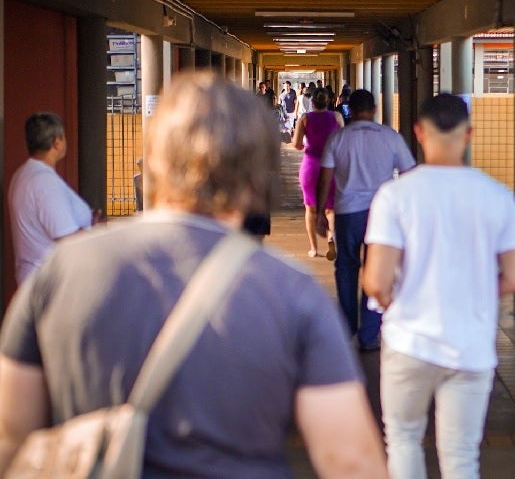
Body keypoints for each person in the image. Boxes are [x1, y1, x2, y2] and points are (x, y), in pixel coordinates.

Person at [0, 73, 388, 478]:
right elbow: (351, 461)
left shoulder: (60, 274)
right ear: (258, 173)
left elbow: (12, 435)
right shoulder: (292, 293)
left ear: (153, 159)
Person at [362, 93, 515, 479]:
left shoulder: (395, 195)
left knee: (403, 440)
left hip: (409, 342)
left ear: (418, 132)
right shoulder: (498, 196)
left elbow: (375, 279)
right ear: (468, 134)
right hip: (471, 346)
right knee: (461, 455)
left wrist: (392, 301)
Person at [316, 89, 415, 351]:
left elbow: (325, 177)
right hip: (382, 215)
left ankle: (347, 326)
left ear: (350, 108)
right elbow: (409, 174)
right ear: (374, 108)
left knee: (346, 267)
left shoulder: (338, 138)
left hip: (348, 212)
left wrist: (318, 213)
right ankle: (369, 334)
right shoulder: (390, 137)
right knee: (378, 270)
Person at [7, 112, 99, 285]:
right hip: (50, 282)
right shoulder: (44, 182)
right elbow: (68, 237)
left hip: (37, 278)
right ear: (57, 143)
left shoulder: (23, 174)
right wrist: (98, 232)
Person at [293, 88, 343, 258]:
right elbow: (342, 139)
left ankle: (314, 248)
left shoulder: (305, 118)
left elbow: (296, 144)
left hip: (310, 166)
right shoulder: (336, 117)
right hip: (332, 166)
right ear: (328, 101)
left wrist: (306, 144)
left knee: (310, 209)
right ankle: (331, 237)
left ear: (312, 102)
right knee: (331, 209)